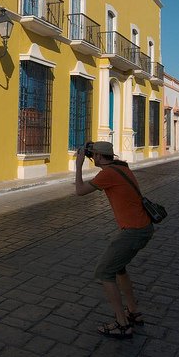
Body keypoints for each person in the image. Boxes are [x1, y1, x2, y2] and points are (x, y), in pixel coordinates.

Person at [74, 140, 154, 339]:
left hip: (133, 231)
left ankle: (122, 323)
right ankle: (133, 312)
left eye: (93, 156)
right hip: (143, 228)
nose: (92, 158)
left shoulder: (107, 174)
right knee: (119, 268)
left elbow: (80, 191)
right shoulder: (122, 169)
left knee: (103, 272)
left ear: (100, 157)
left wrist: (78, 165)